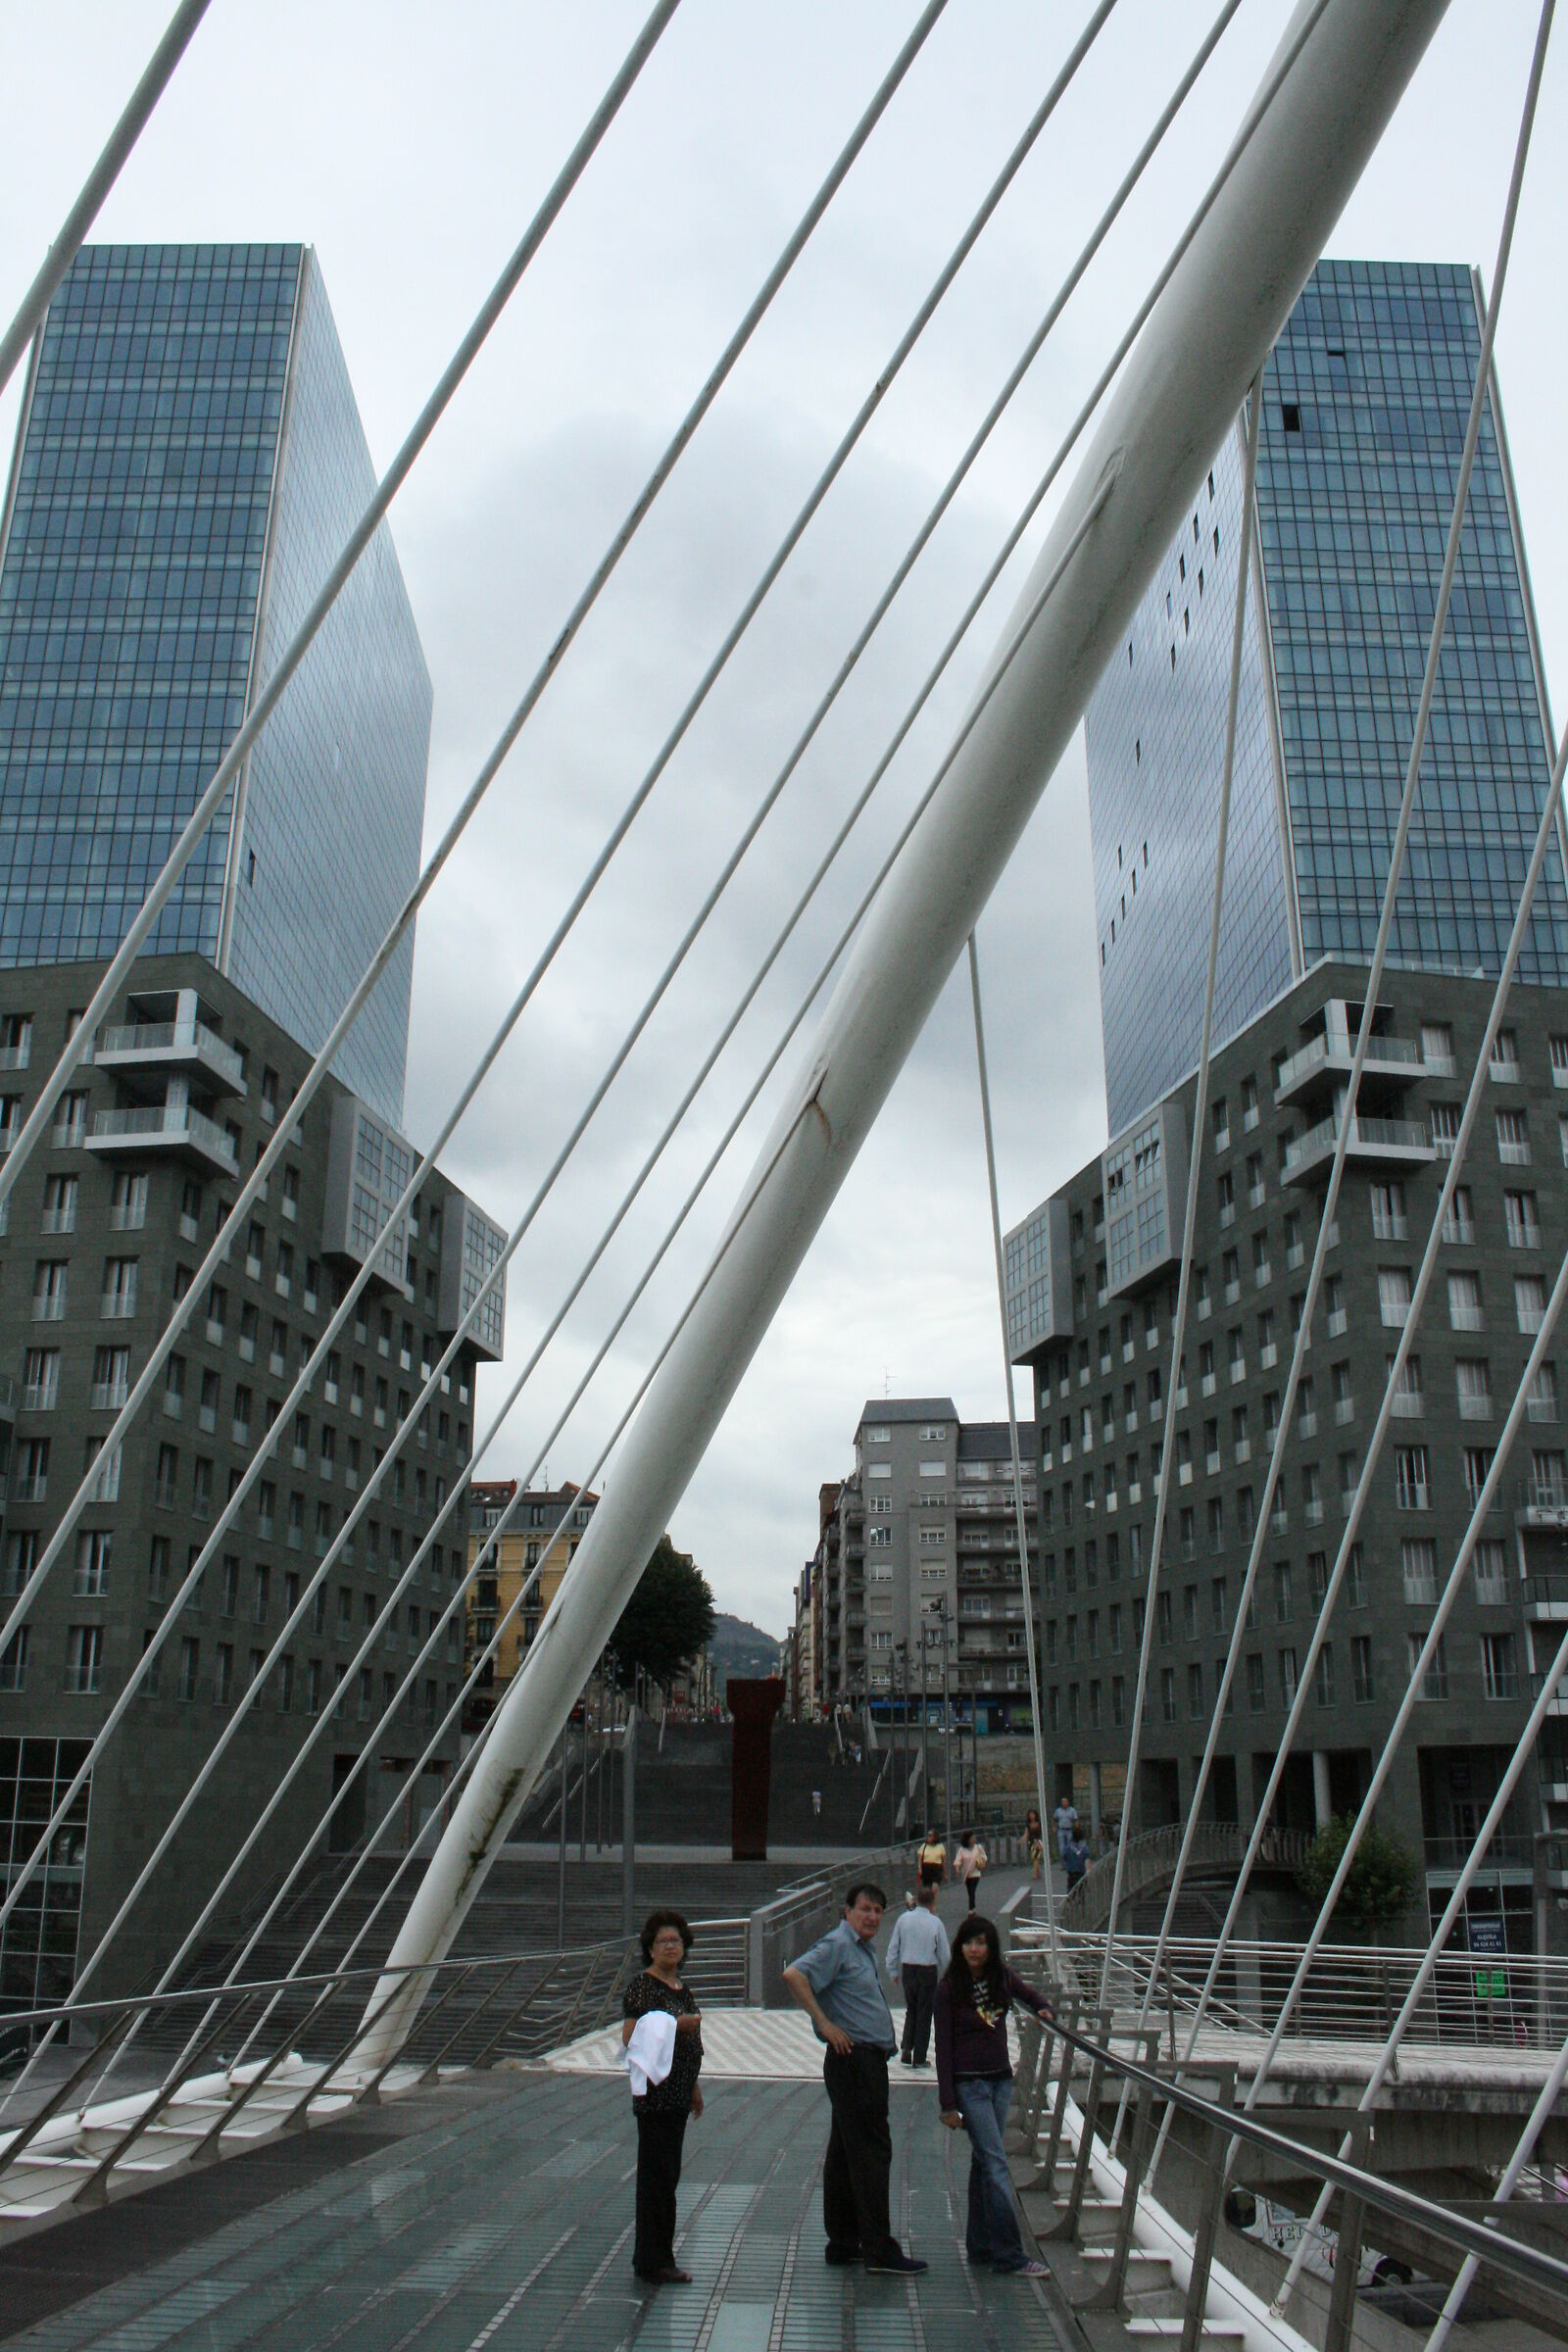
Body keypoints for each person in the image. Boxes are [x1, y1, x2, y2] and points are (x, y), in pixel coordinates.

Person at [782, 1883, 928, 2276]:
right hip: (854, 2061)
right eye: (865, 1909)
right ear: (847, 1911)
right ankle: (879, 2249)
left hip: (863, 2061)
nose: (873, 1917)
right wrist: (825, 2024)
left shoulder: (861, 1949)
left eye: (879, 1911)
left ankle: (844, 2240)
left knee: (846, 2151)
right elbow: (794, 1975)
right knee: (871, 2152)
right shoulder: (838, 1945)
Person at [935, 1915, 1054, 2277]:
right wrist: (947, 2103)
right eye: (970, 1942)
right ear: (960, 1946)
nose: (975, 1949)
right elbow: (942, 2046)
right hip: (969, 2084)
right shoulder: (949, 1987)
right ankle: (1010, 2254)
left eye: (982, 1942)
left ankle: (981, 2245)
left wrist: (1043, 2007)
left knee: (983, 2162)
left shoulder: (999, 1976)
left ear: (991, 1947)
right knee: (996, 2162)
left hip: (1001, 2080)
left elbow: (1028, 1994)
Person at [622, 1910, 705, 2286]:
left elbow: (690, 2044)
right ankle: (655, 2260)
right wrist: (676, 2024)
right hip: (656, 2098)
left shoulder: (680, 1987)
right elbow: (631, 2034)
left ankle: (654, 2256)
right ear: (650, 1949)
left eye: (676, 1941)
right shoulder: (644, 1986)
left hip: (676, 2096)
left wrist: (694, 2087)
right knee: (657, 2179)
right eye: (663, 1942)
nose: (671, 1947)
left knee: (666, 2177)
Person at [885, 1881, 950, 2067]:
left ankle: (906, 2046)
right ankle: (919, 2056)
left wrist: (892, 1969)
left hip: (908, 1969)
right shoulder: (936, 1922)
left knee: (911, 2008)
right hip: (928, 1970)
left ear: (916, 1900)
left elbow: (893, 1946)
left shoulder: (903, 1919)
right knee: (924, 2012)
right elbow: (943, 1952)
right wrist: (948, 1973)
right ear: (932, 1903)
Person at [952, 1830, 987, 1911]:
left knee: (972, 1890)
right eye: (972, 1837)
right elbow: (958, 1860)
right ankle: (973, 1907)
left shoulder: (978, 1848)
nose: (974, 1839)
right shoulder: (962, 1850)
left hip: (976, 1872)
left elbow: (984, 1857)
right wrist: (957, 1868)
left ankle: (971, 1909)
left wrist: (983, 1864)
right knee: (970, 1891)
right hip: (966, 1873)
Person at [916, 1827, 946, 1891]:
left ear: (935, 1837)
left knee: (934, 1888)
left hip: (936, 1868)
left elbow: (943, 1861)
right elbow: (920, 1859)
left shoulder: (940, 1846)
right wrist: (919, 1868)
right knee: (927, 1888)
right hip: (926, 1868)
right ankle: (929, 1900)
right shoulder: (924, 1846)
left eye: (930, 1835)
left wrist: (945, 1873)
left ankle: (934, 1900)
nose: (928, 1837)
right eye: (928, 1835)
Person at [1053, 1796, 1077, 1867]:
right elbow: (1054, 1819)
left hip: (1069, 1830)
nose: (1064, 1803)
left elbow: (1075, 1819)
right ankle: (1063, 1864)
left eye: (1065, 1801)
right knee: (1062, 1848)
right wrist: (1054, 1827)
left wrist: (1076, 1828)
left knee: (1070, 1847)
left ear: (1068, 1802)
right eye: (1063, 1802)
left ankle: (1070, 1863)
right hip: (1061, 1830)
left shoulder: (1072, 1810)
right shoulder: (1058, 1811)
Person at [1024, 1807, 1045, 1883]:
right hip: (1031, 1842)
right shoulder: (1028, 1824)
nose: (1031, 1816)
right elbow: (1026, 1833)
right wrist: (1023, 1840)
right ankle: (1037, 1871)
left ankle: (1034, 1873)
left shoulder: (1039, 1823)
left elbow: (1041, 1833)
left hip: (1038, 1841)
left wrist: (1042, 1843)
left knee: (1036, 1857)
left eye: (1033, 1814)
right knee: (1034, 1858)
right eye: (1030, 1815)